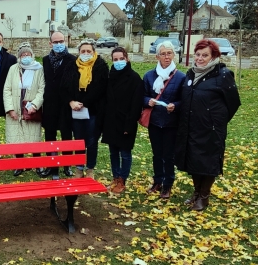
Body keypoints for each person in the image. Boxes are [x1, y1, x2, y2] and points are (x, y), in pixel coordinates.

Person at [175, 39, 240, 211]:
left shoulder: (223, 75)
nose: (200, 58)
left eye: (205, 55)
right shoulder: (191, 74)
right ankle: (196, 192)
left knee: (208, 162)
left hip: (211, 129)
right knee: (194, 160)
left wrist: (216, 120)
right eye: (198, 54)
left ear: (214, 56)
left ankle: (204, 196)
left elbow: (233, 103)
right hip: (191, 126)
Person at [142, 41, 186, 199]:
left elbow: (185, 100)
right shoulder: (149, 75)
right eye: (163, 53)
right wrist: (148, 101)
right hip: (155, 121)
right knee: (157, 154)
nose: (166, 57)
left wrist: (176, 105)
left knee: (169, 155)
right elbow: (143, 95)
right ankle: (157, 181)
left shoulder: (181, 77)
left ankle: (168, 184)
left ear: (174, 55)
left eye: (169, 53)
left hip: (171, 123)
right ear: (157, 56)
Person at [101, 47, 143, 193]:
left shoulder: (134, 78)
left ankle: (122, 180)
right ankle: (115, 177)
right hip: (111, 122)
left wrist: (129, 125)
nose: (118, 62)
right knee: (113, 152)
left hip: (126, 121)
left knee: (125, 153)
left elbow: (136, 104)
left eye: (121, 59)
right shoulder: (110, 76)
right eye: (115, 59)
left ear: (127, 58)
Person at [2, 42, 45, 177]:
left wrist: (35, 105)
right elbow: (7, 89)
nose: (26, 56)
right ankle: (19, 164)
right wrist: (10, 109)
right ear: (19, 56)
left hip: (31, 108)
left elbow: (42, 89)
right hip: (15, 108)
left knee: (34, 138)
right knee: (18, 138)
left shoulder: (39, 69)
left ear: (32, 55)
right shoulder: (13, 69)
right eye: (23, 54)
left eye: (28, 54)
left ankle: (37, 164)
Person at [69, 41, 108, 179]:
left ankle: (90, 168)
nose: (86, 54)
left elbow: (100, 88)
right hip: (76, 110)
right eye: (83, 51)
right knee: (78, 139)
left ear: (93, 51)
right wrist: (71, 101)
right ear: (79, 52)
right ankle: (79, 168)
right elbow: (65, 86)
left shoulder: (101, 66)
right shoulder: (72, 66)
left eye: (88, 51)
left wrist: (85, 103)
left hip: (93, 110)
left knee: (92, 140)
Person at [41, 31, 77, 178]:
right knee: (50, 135)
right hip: (49, 104)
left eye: (61, 41)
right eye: (55, 42)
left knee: (66, 135)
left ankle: (67, 165)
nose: (58, 44)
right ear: (50, 43)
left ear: (66, 41)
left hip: (65, 104)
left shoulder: (72, 60)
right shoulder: (45, 60)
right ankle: (51, 164)